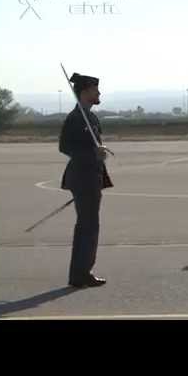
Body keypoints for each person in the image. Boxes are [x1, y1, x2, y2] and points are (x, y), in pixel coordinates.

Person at [58, 73, 113, 288]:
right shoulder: (76, 118)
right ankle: (80, 274)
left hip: (91, 177)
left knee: (89, 225)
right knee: (88, 226)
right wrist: (93, 153)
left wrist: (97, 151)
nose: (99, 93)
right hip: (82, 178)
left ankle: (81, 272)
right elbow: (65, 147)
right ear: (84, 92)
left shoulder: (91, 117)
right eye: (95, 89)